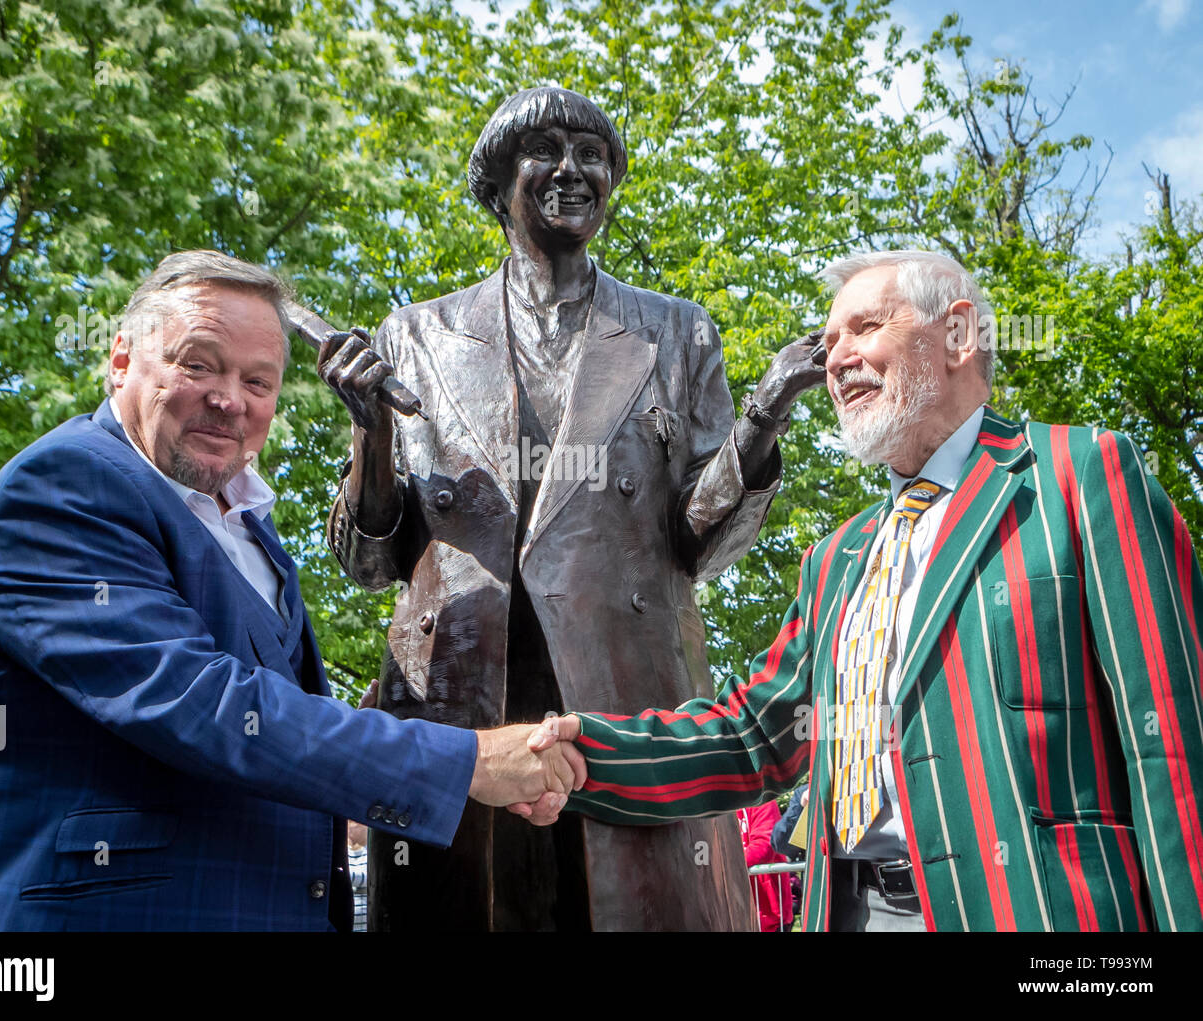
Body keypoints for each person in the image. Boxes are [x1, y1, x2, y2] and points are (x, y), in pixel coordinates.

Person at [0, 250, 584, 932]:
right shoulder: (61, 488)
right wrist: (469, 760)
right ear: (120, 361)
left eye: (259, 381)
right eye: (197, 364)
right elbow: (200, 705)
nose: (230, 399)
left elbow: (260, 741)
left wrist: (371, 768)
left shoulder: (251, 532)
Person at [525, 249, 1203, 931]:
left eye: (864, 327)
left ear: (959, 336)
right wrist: (585, 753)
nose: (835, 358)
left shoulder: (1076, 474)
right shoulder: (836, 558)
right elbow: (754, 734)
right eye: (827, 343)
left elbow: (1173, 748)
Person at [319, 86, 825, 930]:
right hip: (462, 701)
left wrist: (764, 415)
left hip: (628, 698)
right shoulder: (417, 334)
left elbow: (699, 541)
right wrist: (370, 435)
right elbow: (372, 563)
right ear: (496, 183)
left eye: (592, 155)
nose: (573, 170)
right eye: (545, 150)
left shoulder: (677, 332)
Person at [737, 800, 794, 932]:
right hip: (732, 914)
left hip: (769, 915)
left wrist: (722, 866)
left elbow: (764, 847)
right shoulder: (709, 806)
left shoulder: (761, 799)